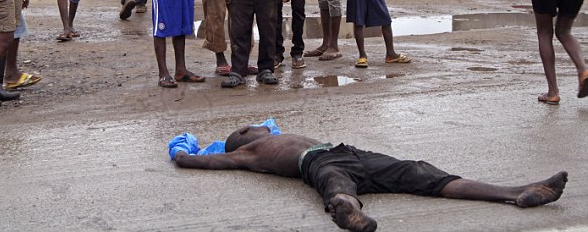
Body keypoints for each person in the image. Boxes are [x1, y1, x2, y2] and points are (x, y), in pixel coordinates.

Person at [171, 125, 568, 232]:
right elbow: (204, 163)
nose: (259, 124)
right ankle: (348, 212)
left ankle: (517, 192)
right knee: (337, 187)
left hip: (349, 152)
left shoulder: (273, 136)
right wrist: (184, 151)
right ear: (244, 136)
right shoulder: (247, 152)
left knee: (420, 172)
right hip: (318, 163)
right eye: (251, 125)